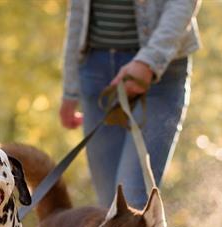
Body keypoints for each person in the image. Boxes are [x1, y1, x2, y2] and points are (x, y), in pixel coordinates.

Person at [59, 0, 201, 209]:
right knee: (110, 207)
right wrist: (70, 89)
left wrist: (148, 61)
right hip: (95, 70)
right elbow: (78, 11)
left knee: (132, 200)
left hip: (161, 71)